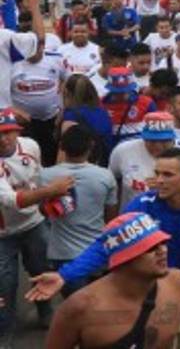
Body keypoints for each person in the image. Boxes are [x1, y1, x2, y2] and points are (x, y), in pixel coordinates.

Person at [29, 147, 180, 348]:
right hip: (157, 300)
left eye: (167, 174)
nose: (159, 180)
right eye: (157, 173)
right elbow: (107, 246)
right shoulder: (142, 206)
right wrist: (64, 275)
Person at [42, 212, 180, 348]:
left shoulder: (179, 283)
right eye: (150, 248)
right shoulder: (81, 307)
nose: (162, 250)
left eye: (162, 243)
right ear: (124, 259)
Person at [0, 108, 75, 343]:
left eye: (8, 133)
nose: (3, 139)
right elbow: (14, 201)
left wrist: (48, 201)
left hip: (34, 223)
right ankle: (5, 330)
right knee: (5, 283)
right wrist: (51, 191)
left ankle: (45, 312)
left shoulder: (31, 146)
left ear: (16, 132)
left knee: (42, 270)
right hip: (3, 233)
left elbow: (38, 177)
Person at [39, 124, 119, 296]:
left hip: (63, 254)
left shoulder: (45, 176)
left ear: (61, 147)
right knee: (100, 304)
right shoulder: (105, 176)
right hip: (98, 251)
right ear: (91, 146)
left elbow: (43, 212)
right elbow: (111, 217)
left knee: (74, 307)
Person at [109, 114, 180, 206]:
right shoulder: (123, 150)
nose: (157, 146)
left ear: (173, 138)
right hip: (133, 215)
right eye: (152, 141)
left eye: (163, 141)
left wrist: (169, 187)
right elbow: (111, 184)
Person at [10, 37, 65, 165]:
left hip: (51, 119)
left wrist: (62, 107)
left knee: (50, 154)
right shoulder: (12, 64)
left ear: (42, 46)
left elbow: (70, 80)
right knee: (28, 156)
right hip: (23, 123)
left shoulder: (56, 59)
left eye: (36, 48)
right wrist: (14, 111)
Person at [60, 74, 115, 165]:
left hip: (81, 165)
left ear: (67, 93)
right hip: (104, 163)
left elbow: (63, 152)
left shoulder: (70, 116)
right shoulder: (103, 112)